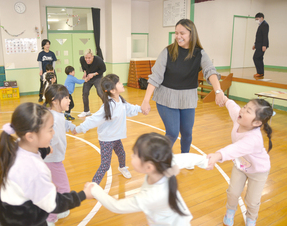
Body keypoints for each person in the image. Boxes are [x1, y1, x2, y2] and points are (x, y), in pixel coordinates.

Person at [0, 103, 89, 226]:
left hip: (8, 212)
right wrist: (83, 195)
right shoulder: (34, 170)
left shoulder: (16, 145)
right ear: (30, 136)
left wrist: (46, 150)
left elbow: (32, 155)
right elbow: (54, 204)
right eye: (50, 129)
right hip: (24, 219)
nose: (53, 133)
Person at [84, 132, 208, 226]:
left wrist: (94, 189)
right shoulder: (163, 163)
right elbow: (188, 158)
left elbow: (117, 206)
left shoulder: (152, 196)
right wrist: (206, 162)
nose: (131, 156)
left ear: (148, 167)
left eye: (135, 155)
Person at [141, 19, 226, 153]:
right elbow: (155, 76)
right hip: (166, 98)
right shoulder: (167, 52)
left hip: (188, 99)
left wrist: (218, 91)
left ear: (192, 34)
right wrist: (146, 101)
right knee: (173, 133)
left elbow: (210, 71)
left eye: (182, 33)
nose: (178, 36)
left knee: (187, 133)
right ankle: (160, 160)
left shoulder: (200, 54)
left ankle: (185, 158)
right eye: (176, 33)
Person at [206, 97, 273, 226]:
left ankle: (251, 219)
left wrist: (217, 155)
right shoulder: (239, 117)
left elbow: (234, 149)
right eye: (245, 107)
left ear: (257, 123)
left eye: (248, 111)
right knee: (233, 192)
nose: (242, 111)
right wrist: (224, 99)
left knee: (252, 201)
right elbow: (233, 106)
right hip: (241, 165)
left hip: (258, 171)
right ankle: (230, 212)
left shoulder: (253, 139)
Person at [74, 74, 141, 184]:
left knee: (122, 154)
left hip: (116, 136)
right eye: (118, 83)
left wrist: (140, 109)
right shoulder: (109, 106)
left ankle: (122, 167)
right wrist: (80, 128)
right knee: (105, 165)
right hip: (106, 139)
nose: (121, 83)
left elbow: (130, 108)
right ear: (113, 90)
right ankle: (94, 185)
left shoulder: (121, 101)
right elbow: (94, 119)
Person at [43, 84, 77, 225]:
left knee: (57, 186)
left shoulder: (55, 114)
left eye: (68, 97)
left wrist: (71, 126)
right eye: (66, 98)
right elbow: (53, 136)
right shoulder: (54, 118)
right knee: (63, 189)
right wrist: (50, 144)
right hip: (53, 159)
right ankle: (50, 218)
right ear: (54, 100)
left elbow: (62, 123)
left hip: (52, 158)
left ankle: (60, 210)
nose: (69, 100)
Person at [78, 49, 106, 118]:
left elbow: (103, 69)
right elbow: (84, 67)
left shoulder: (98, 60)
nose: (87, 59)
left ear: (92, 57)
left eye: (89, 58)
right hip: (88, 77)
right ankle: (86, 111)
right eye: (86, 58)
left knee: (100, 92)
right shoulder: (82, 59)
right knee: (85, 93)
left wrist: (93, 74)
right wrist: (85, 73)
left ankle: (107, 109)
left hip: (97, 77)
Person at [252, 13, 269, 78]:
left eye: (257, 19)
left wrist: (264, 45)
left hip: (262, 45)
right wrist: (254, 44)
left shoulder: (265, 25)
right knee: (259, 58)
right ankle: (261, 73)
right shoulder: (261, 25)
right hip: (259, 45)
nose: (256, 20)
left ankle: (259, 72)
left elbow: (265, 36)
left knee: (256, 57)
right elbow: (258, 37)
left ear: (261, 18)